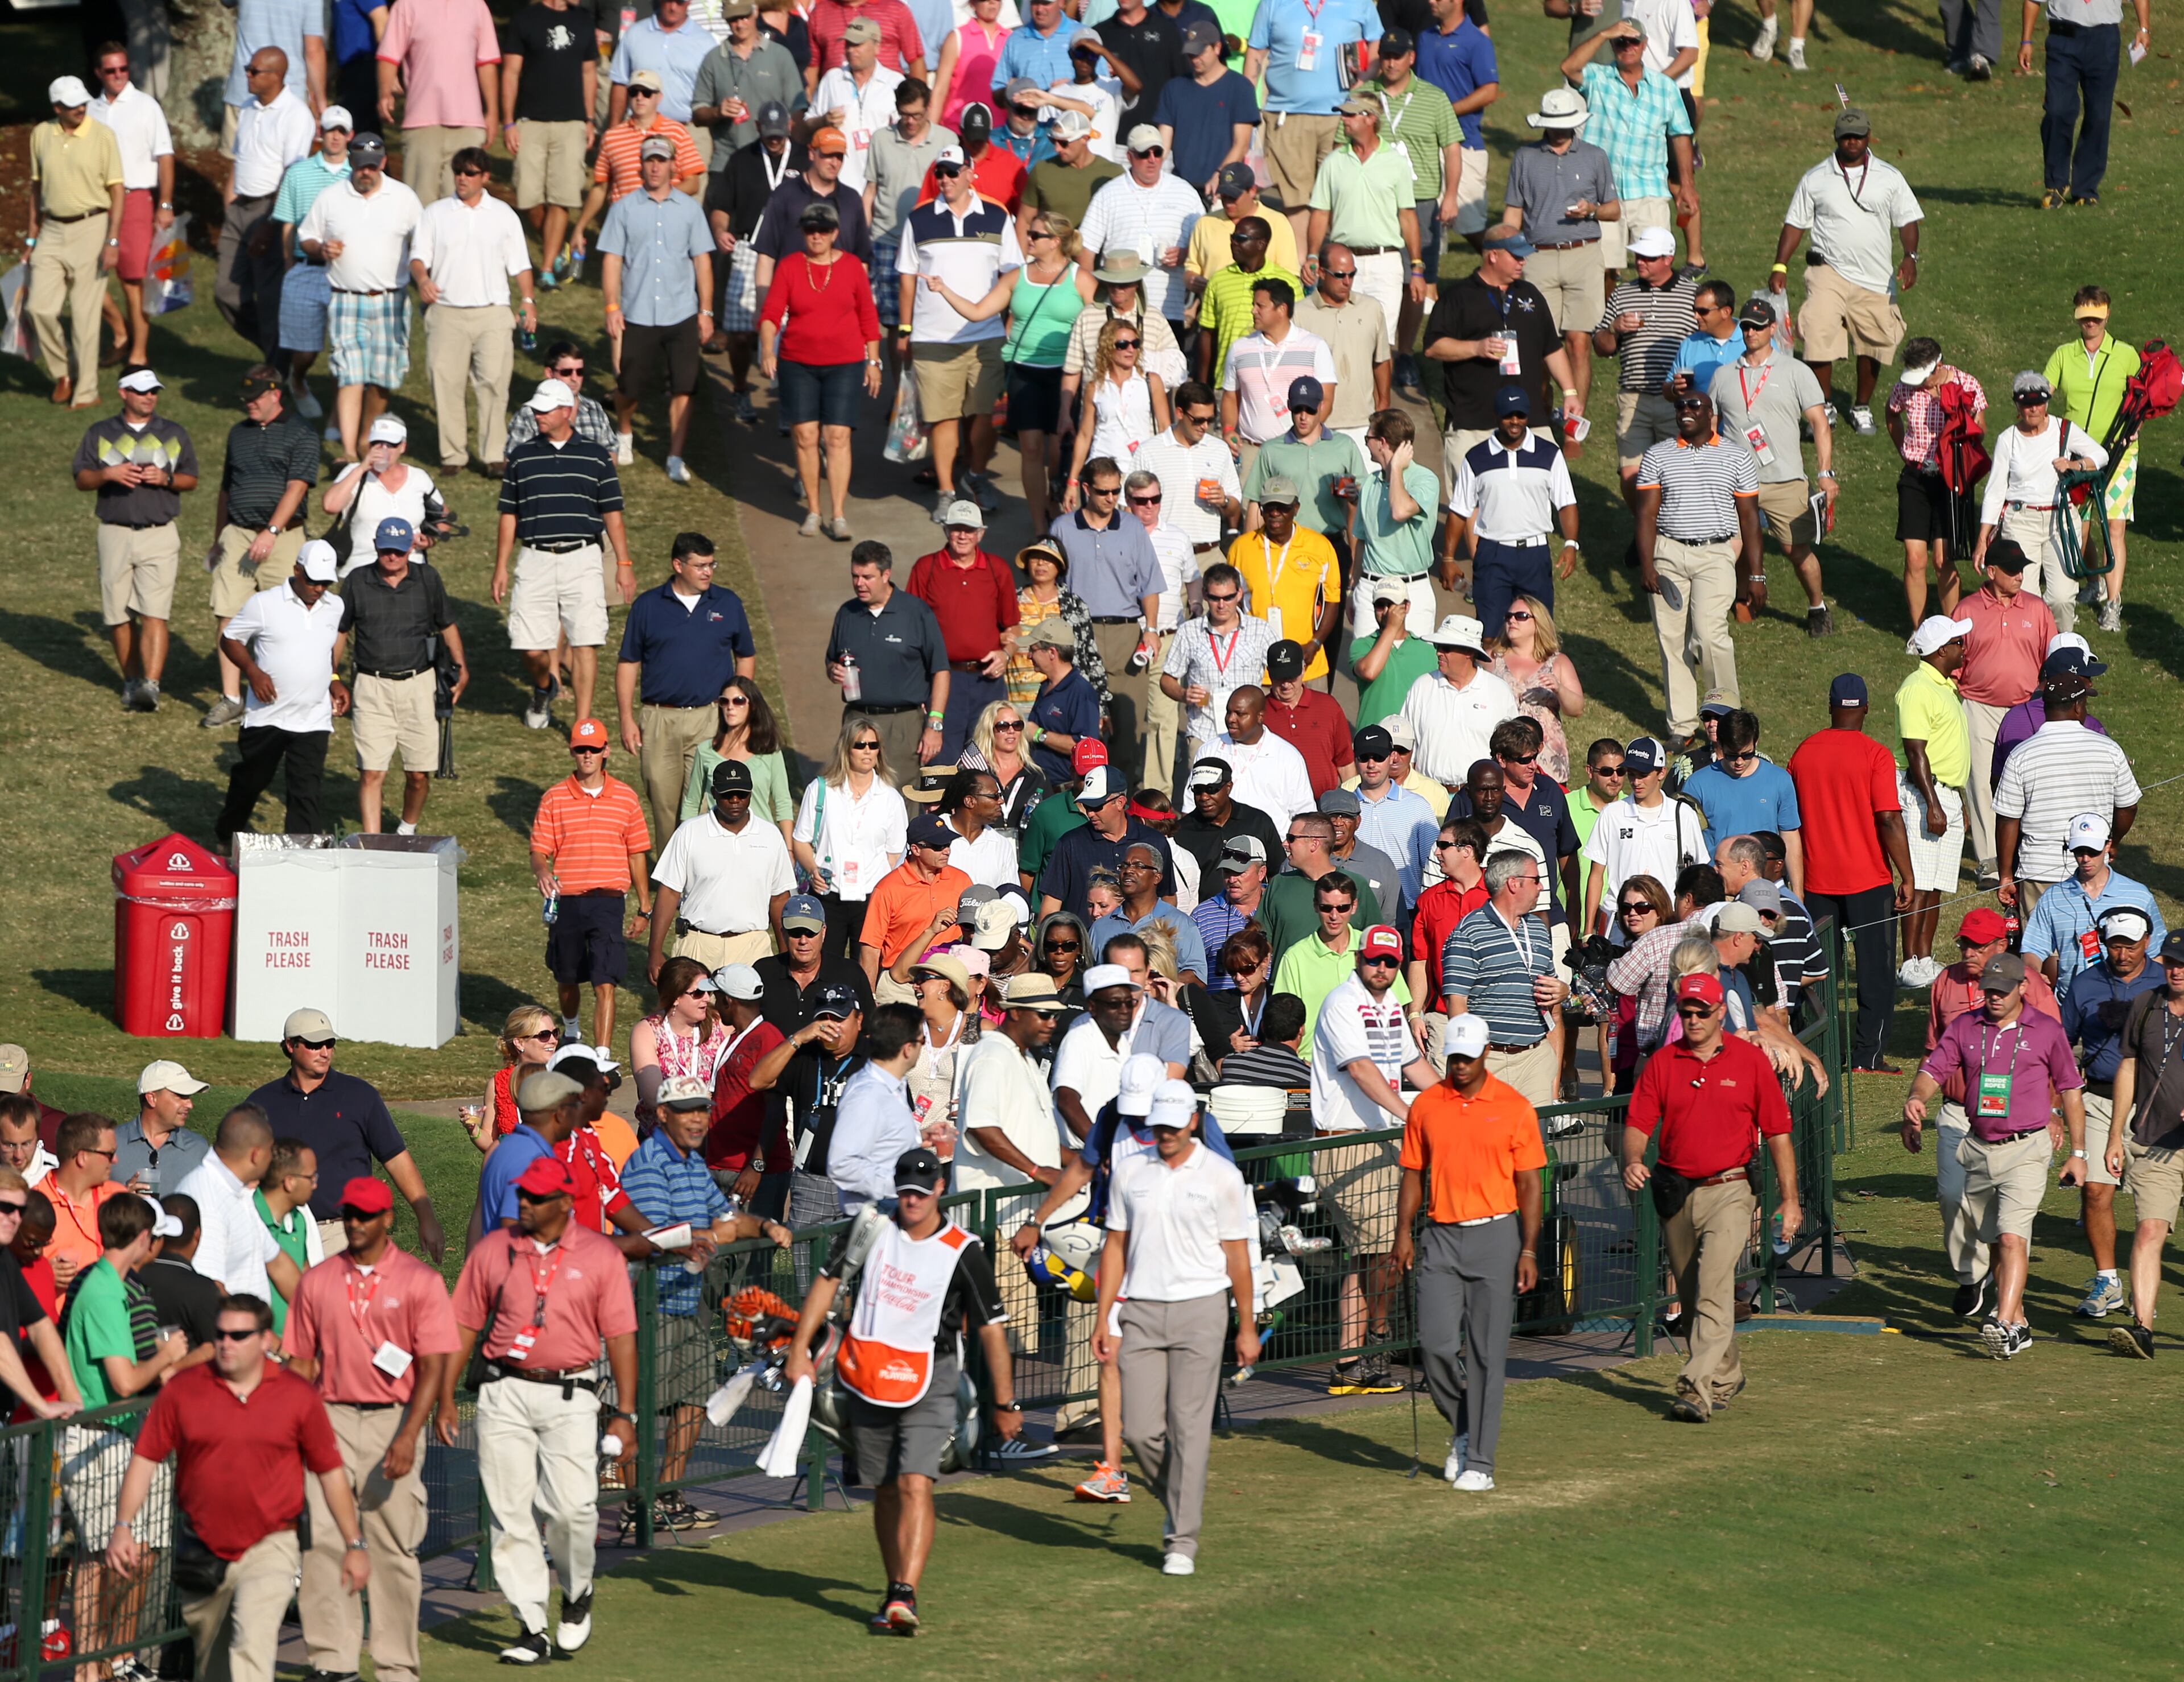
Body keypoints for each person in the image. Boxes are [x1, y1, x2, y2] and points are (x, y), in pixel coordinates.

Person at [783, 1144, 1021, 1630]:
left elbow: (992, 1328)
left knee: (916, 1482)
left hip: (933, 1377)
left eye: (921, 1191)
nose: (911, 1201)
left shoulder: (964, 1250)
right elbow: (828, 1283)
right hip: (867, 1373)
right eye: (905, 1191)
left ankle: (905, 1593)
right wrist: (799, 1348)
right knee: (885, 1488)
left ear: (939, 1189)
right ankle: (894, 1586)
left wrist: (1005, 1401)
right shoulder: (870, 1229)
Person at [438, 1156, 638, 1664]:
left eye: (535, 1197)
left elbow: (620, 1335)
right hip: (502, 1391)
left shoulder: (599, 1255)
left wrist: (626, 1413)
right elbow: (463, 1323)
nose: (523, 1202)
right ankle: (531, 1625)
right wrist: (444, 1395)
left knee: (572, 1508)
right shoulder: (494, 1249)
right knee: (509, 1514)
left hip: (572, 1393)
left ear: (566, 1204)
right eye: (522, 1194)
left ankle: (575, 1592)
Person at [108, 1293, 365, 1682]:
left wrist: (354, 1544)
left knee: (251, 1645)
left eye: (239, 1335)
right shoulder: (184, 1390)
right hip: (202, 1546)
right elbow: (145, 1458)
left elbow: (330, 1473)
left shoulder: (297, 1395)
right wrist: (123, 1525)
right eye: (221, 1334)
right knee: (213, 1667)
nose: (226, 1343)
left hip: (272, 1544)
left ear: (266, 1340)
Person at [280, 1177, 458, 1682]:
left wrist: (408, 1434)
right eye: (350, 1214)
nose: (355, 1223)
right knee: (324, 1542)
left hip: (391, 1419)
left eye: (365, 1215)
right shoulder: (317, 1281)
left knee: (393, 1544)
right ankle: (332, 1661)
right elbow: (300, 1362)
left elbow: (432, 1365)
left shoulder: (419, 1280)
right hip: (328, 1418)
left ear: (388, 1220)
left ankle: (397, 1665)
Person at [1086, 1080, 1254, 1574]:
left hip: (1202, 1310)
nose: (1165, 1133)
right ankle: (1178, 1503)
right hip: (1139, 1311)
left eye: (1174, 1125)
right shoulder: (1130, 1173)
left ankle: (1182, 1538)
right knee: (1140, 1431)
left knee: (1189, 1427)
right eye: (1159, 1124)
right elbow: (1115, 1246)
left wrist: (1246, 1325)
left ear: (1193, 1122)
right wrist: (1103, 1316)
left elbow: (1238, 1256)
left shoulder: (1222, 1175)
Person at [1623, 973, 1798, 1416]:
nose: (1694, 1019)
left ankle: (1694, 1385)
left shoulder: (1750, 1062)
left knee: (1713, 1287)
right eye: (1687, 1012)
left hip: (1732, 1189)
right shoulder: (1664, 1063)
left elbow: (1778, 1133)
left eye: (1703, 1011)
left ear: (1721, 1011)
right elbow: (1638, 1124)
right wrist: (1633, 1159)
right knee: (1691, 1294)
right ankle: (1727, 1373)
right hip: (1677, 1191)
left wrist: (1790, 1200)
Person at [1904, 951, 2087, 1359]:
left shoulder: (2045, 1030)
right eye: (1989, 990)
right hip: (1978, 1147)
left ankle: (2002, 1323)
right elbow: (1935, 1068)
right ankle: (2019, 1322)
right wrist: (1917, 1097)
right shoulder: (1966, 1026)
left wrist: (2078, 1151)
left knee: (2011, 1235)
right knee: (1995, 1242)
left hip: (2027, 1147)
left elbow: (2071, 1089)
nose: (1995, 997)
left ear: (2023, 988)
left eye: (2003, 990)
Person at [1392, 1011, 1540, 1489]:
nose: (1459, 1066)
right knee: (1435, 1346)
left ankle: (1481, 1461)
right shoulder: (1427, 1105)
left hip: (1497, 1236)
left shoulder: (1515, 1106)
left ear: (1485, 1054)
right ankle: (1462, 1425)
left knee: (1485, 1354)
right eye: (1453, 1057)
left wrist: (1530, 1249)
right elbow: (1413, 1171)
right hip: (1440, 1235)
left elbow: (1530, 1183)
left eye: (1467, 1058)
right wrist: (1403, 1232)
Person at [1786, 677, 1915, 1070]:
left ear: (1830, 706)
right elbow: (1889, 818)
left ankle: (1820, 1050)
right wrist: (1907, 875)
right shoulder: (1875, 754)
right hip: (1869, 880)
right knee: (1875, 972)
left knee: (1819, 972)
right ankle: (1867, 1055)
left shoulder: (1803, 753)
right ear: (1865, 708)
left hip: (1816, 882)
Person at [1767, 109, 1920, 438]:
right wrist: (1780, 265)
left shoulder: (1889, 177)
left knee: (1874, 344)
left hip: (1876, 277)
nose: (1853, 142)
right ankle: (1824, 405)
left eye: (1860, 136)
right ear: (1836, 138)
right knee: (1819, 337)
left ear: (1869, 137)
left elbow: (1907, 220)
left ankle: (1861, 405)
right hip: (1827, 272)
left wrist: (1910, 257)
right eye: (1847, 137)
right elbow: (1795, 224)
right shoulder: (1816, 177)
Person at [249, 1009, 446, 1258]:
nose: (325, 1052)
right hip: (280, 1233)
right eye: (314, 1045)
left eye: (329, 1044)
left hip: (345, 1234)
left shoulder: (360, 1096)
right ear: (291, 1045)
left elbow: (396, 1159)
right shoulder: (262, 1103)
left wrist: (426, 1217)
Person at [897, 143, 1024, 521]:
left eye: (953, 172)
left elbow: (1012, 274)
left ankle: (976, 475)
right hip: (933, 337)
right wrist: (905, 330)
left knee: (984, 416)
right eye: (941, 173)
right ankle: (946, 492)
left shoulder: (998, 216)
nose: (946, 179)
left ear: (971, 173)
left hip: (985, 335)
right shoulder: (919, 219)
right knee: (944, 418)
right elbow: (907, 280)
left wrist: (1009, 325)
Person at [1634, 391, 1761, 742]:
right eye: (1680, 406)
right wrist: (1648, 566)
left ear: (1712, 414)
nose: (1685, 411)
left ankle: (1728, 718)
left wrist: (1756, 574)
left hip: (1716, 553)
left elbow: (1750, 519)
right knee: (1671, 640)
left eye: (1694, 406)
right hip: (1668, 553)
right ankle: (1682, 726)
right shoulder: (1657, 455)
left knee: (1709, 635)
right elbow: (1645, 514)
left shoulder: (1736, 456)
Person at [1706, 297, 1835, 634]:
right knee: (1730, 547)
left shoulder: (1795, 371)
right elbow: (1711, 429)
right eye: (1746, 325)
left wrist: (1824, 472)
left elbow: (1820, 423)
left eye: (1758, 326)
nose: (1750, 332)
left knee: (1796, 550)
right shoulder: (1723, 376)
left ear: (1773, 329)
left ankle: (1817, 607)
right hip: (1735, 481)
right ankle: (1727, 608)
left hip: (1784, 478)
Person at [75, 367, 198, 714]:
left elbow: (192, 479)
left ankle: (151, 687)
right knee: (118, 614)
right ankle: (131, 682)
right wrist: (107, 474)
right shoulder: (101, 433)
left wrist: (167, 478)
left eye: (154, 392)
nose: (150, 397)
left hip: (160, 534)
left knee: (155, 613)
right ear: (123, 393)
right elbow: (82, 479)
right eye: (142, 391)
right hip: (114, 533)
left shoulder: (173, 433)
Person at [204, 365, 321, 732]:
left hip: (283, 538)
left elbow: (297, 488)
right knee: (228, 615)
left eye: (255, 398)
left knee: (287, 618)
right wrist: (219, 536)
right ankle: (232, 699)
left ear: (275, 394)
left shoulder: (301, 433)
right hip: (238, 535)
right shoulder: (238, 434)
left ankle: (284, 696)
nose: (248, 404)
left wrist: (271, 531)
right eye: (245, 398)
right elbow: (227, 487)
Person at [2055, 904, 2158, 1319]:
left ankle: (2146, 1281)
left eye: (2131, 945)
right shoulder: (2085, 984)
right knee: (2096, 1191)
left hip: (2157, 1103)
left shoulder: (2166, 980)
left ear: (2147, 942)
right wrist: (2056, 1107)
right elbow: (2061, 1045)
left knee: (2152, 1203)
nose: (2123, 953)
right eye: (2115, 944)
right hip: (2098, 1099)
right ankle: (2107, 1280)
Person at [760, 202, 884, 538]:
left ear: (835, 234)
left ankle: (838, 513)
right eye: (811, 230)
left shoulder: (853, 268)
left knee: (838, 437)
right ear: (802, 232)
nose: (817, 236)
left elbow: (868, 317)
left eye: (824, 230)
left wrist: (873, 361)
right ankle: (813, 510)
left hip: (845, 363)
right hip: (798, 363)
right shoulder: (789, 267)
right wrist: (767, 347)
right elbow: (772, 312)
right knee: (805, 437)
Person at [297, 132, 423, 462]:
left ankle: (367, 436)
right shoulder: (331, 197)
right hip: (345, 297)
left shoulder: (405, 198)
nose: (366, 172)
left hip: (391, 299)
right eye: (359, 166)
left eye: (372, 166)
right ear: (351, 163)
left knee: (384, 378)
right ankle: (350, 452)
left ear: (382, 163)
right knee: (349, 374)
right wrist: (321, 248)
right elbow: (307, 236)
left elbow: (424, 243)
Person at [530, 718, 654, 1054]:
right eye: (581, 749)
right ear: (572, 751)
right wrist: (542, 871)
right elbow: (540, 850)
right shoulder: (555, 798)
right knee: (566, 975)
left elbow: (637, 854)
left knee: (605, 980)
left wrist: (645, 907)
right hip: (567, 899)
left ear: (606, 751)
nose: (587, 755)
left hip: (609, 901)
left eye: (594, 749)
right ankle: (572, 1030)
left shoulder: (626, 798)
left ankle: (602, 1054)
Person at [410, 148, 534, 479]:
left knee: (494, 383)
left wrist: (529, 300)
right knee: (445, 383)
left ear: (485, 177)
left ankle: (494, 454)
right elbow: (419, 256)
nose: (462, 178)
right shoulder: (435, 213)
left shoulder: (504, 214)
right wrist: (422, 279)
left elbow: (520, 263)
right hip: (447, 312)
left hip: (492, 311)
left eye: (470, 173)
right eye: (458, 172)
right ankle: (453, 455)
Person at [341, 517, 469, 833]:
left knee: (419, 774)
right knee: (371, 772)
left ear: (411, 548)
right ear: (376, 547)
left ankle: (406, 829)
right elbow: (340, 632)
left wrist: (461, 669)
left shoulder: (428, 579)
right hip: (372, 686)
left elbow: (447, 624)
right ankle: (372, 841)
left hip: (420, 686)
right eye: (387, 550)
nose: (393, 557)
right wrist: (332, 678)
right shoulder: (357, 581)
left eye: (399, 551)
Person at [1497, 86, 1616, 419]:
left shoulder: (1595, 156)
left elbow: (1614, 209)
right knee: (1537, 346)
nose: (1560, 129)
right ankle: (1541, 413)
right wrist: (1505, 253)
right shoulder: (1525, 157)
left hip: (1584, 254)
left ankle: (1573, 423)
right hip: (1538, 257)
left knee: (1579, 343)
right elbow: (1513, 213)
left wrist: (1591, 210)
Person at [601, 136, 714, 483]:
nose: (655, 166)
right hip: (637, 312)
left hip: (681, 312)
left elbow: (702, 262)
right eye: (650, 160)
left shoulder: (691, 209)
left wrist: (706, 311)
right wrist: (612, 306)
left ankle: (675, 455)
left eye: (661, 161)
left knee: (684, 386)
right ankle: (625, 434)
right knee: (629, 386)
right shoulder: (624, 208)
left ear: (673, 166)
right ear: (641, 163)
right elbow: (612, 260)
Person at [1993, 657, 2140, 920]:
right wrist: (2112, 843)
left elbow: (2007, 819)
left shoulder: (2021, 755)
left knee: (2042, 952)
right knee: (2090, 950)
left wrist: (2006, 875)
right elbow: (2128, 806)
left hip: (2037, 871)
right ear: (2077, 707)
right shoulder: (2110, 750)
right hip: (2092, 868)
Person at [2100, 929, 2184, 1359]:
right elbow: (2129, 1067)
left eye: (2183, 964)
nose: (2177, 970)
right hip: (2153, 1142)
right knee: (2150, 1230)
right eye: (2171, 961)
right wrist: (2116, 1135)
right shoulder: (2146, 1005)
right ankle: (2143, 1328)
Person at [1976, 370, 2108, 636]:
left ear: (2047, 402)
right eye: (2026, 403)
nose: (2033, 409)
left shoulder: (2063, 430)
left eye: (2039, 402)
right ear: (2017, 405)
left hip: (2060, 521)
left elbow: (2100, 454)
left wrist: (2075, 465)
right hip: (2020, 521)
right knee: (2025, 596)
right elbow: (1995, 490)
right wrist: (1983, 537)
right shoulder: (2008, 439)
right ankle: (2031, 654)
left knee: (2061, 596)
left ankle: (2063, 653)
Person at [1445, 385, 1579, 641]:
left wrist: (1571, 544)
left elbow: (1566, 503)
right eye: (1509, 415)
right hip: (1493, 554)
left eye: (1520, 415)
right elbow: (1459, 511)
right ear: (1498, 416)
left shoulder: (1549, 454)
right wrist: (1449, 559)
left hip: (1535, 555)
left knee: (1539, 635)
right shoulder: (1477, 458)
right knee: (1489, 636)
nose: (1515, 421)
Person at [1561, 19, 1694, 275]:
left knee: (1657, 266)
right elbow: (1569, 67)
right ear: (1612, 44)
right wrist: (1603, 34)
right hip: (1603, 193)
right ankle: (1608, 315)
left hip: (1650, 190)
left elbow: (1681, 136)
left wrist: (1686, 186)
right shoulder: (1598, 78)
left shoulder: (1665, 88)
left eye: (1634, 41)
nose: (1627, 46)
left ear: (1644, 45)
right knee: (1604, 269)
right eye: (1621, 41)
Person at [2041, 286, 2138, 631]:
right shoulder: (2064, 355)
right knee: (2077, 527)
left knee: (2115, 527)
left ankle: (2112, 604)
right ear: (2077, 318)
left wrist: (2136, 427)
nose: (2091, 324)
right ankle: (2093, 584)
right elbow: (2043, 395)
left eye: (2097, 317)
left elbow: (2142, 398)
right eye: (2085, 318)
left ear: (2108, 315)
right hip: (2077, 455)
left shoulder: (2126, 355)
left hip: (2119, 455)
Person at [1891, 619, 1974, 986]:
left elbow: (1951, 753)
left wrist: (1961, 802)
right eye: (1958, 642)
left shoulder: (1944, 687)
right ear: (1941, 651)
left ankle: (1925, 958)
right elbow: (1915, 750)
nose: (1963, 647)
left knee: (1936, 884)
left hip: (1947, 794)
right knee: (1920, 882)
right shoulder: (1917, 687)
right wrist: (1933, 804)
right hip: (1926, 794)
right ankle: (1909, 963)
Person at [222, 51, 317, 366]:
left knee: (269, 297)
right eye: (247, 69)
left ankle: (278, 371)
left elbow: (293, 175)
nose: (247, 75)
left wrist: (271, 223)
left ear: (276, 76)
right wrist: (229, 199)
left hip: (269, 211)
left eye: (254, 71)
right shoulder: (248, 108)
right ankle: (276, 351)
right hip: (239, 208)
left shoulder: (295, 114)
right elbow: (240, 157)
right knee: (225, 293)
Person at [502, 0, 602, 289]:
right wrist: (508, 122)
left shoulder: (584, 21)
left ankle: (546, 270)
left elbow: (588, 73)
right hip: (530, 122)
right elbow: (510, 72)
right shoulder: (525, 19)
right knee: (529, 197)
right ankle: (557, 249)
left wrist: (590, 118)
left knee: (562, 196)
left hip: (572, 124)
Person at [1885, 340, 1986, 627]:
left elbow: (1982, 429)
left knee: (1943, 561)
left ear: (1939, 367)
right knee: (1914, 558)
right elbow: (1891, 412)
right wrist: (1903, 450)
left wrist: (1962, 421)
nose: (1919, 383)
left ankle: (1951, 629)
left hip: (1950, 480)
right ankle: (1918, 630)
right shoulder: (1906, 387)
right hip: (1916, 477)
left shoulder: (1967, 384)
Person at [87, 46, 173, 371]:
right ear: (99, 73)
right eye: (111, 71)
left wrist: (165, 204)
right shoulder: (90, 109)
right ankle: (121, 331)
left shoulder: (146, 106)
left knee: (133, 280)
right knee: (84, 274)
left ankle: (139, 351)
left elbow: (165, 157)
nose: (120, 75)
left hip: (136, 198)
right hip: (97, 201)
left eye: (124, 68)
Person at [863, 85, 949, 390]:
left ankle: (925, 388)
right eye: (904, 115)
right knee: (894, 324)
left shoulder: (946, 140)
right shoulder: (881, 139)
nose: (910, 121)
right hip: (887, 242)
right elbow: (871, 192)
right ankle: (899, 392)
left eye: (916, 115)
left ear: (928, 108)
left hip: (930, 246)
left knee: (927, 319)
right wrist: (864, 243)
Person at [2020, 812, 2164, 990]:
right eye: (2079, 851)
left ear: (2108, 845)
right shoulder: (2053, 897)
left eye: (2093, 851)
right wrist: (2033, 973)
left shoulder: (2138, 895)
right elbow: (2033, 948)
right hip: (2070, 1005)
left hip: (2128, 1002)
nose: (2086, 859)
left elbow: (2157, 953)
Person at [372, 0, 499, 201]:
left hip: (468, 123)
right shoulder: (406, 5)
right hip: (421, 121)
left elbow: (487, 62)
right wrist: (385, 93)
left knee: (462, 207)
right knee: (419, 204)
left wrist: (493, 112)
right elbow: (389, 55)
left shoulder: (477, 6)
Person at [2025, 0, 2147, 208]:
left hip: (2104, 38)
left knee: (2099, 114)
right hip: (2063, 38)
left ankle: (2086, 188)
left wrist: (2144, 28)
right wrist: (2026, 41)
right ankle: (2056, 184)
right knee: (2057, 110)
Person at [173, 1104, 299, 1303]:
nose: (272, 1158)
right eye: (270, 1151)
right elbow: (209, 1288)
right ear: (256, 1155)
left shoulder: (239, 1192)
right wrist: (258, 1333)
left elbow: (277, 1264)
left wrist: (320, 1317)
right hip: (233, 1332)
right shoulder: (205, 1198)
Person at [576, 72, 705, 257]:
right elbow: (600, 188)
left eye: (646, 92)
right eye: (634, 92)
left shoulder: (677, 132)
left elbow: (693, 183)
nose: (639, 97)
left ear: (659, 97)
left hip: (667, 221)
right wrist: (580, 227)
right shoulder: (611, 137)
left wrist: (655, 201)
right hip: (625, 224)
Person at [1397, 613, 1517, 790]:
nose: (1438, 652)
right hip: (1427, 796)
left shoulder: (1498, 691)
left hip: (1479, 798)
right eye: (1438, 646)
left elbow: (1511, 751)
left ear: (1469, 652)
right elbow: (1407, 747)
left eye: (1446, 647)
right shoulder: (1422, 687)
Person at [1680, 709, 1801, 881]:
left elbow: (1790, 837)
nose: (1739, 762)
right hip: (1718, 885)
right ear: (1720, 744)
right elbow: (1687, 841)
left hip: (1766, 884)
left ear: (1756, 742)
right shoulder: (1697, 784)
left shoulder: (1780, 780)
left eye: (1747, 754)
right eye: (1732, 755)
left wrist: (1797, 892)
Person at [681, 678, 796, 847]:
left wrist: (789, 850)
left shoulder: (770, 751)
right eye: (724, 701)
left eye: (739, 701)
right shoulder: (705, 751)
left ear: (753, 706)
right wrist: (685, 843)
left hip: (762, 844)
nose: (730, 707)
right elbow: (692, 802)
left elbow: (783, 802)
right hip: (718, 844)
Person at [1155, 26, 1256, 199]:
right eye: (1190, 54)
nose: (1195, 59)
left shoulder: (1240, 87)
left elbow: (1242, 144)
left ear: (1217, 48)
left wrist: (1220, 175)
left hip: (1223, 189)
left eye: (1200, 53)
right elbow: (1163, 145)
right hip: (1181, 186)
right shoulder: (1174, 88)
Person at [110, 1060, 211, 1198]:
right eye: (180, 1096)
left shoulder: (199, 1149)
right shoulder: (110, 1143)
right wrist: (123, 1201)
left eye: (189, 1097)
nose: (190, 1104)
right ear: (152, 1098)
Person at [935, 0, 1009, 129]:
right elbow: (940, 90)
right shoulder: (957, 37)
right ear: (973, 4)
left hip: (999, 131)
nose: (992, 2)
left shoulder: (1012, 39)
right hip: (959, 128)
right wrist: (932, 133)